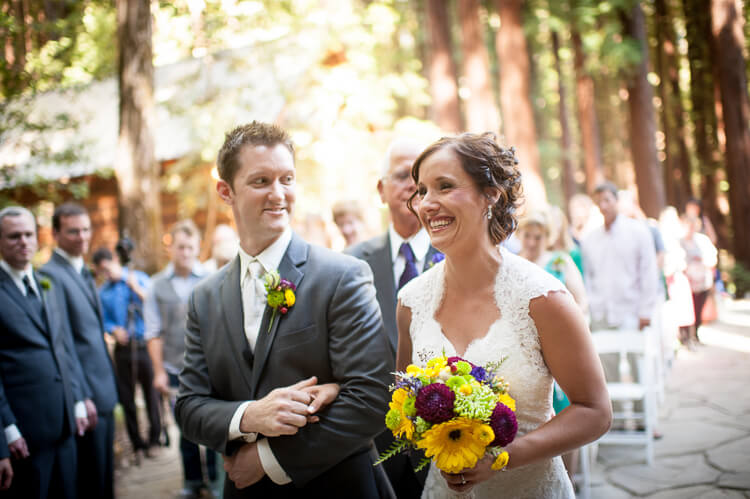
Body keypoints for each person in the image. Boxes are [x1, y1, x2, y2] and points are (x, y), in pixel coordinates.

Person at [174, 121, 394, 498]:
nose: (278, 194)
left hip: (338, 486)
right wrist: (248, 416)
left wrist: (266, 459)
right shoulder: (204, 297)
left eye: (287, 179)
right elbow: (190, 407)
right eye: (261, 181)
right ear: (225, 191)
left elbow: (372, 397)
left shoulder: (342, 276)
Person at [396, 133, 611, 498]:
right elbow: (404, 399)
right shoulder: (411, 301)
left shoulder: (542, 298)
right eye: (421, 192)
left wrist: (502, 458)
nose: (427, 204)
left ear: (490, 194)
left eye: (444, 187)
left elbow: (594, 411)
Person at [346, 137, 439, 498]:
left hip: (453, 436)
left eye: (423, 176)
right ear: (381, 189)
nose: (415, 185)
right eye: (404, 175)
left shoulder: (459, 255)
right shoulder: (351, 265)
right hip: (375, 445)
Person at [0, 206, 89, 499]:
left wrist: (76, 398)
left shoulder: (45, 284)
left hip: (65, 424)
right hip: (25, 434)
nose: (23, 241)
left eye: (28, 234)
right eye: (14, 236)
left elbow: (62, 346)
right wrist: (8, 430)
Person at [41, 203, 118, 499]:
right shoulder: (51, 276)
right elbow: (63, 342)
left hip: (105, 388)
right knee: (91, 481)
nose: (82, 237)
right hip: (87, 396)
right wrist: (81, 395)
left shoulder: (84, 271)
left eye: (86, 229)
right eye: (73, 231)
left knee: (105, 478)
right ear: (56, 233)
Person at [144, 220, 220, 499]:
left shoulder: (212, 279)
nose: (185, 252)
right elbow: (153, 333)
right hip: (175, 369)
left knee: (212, 424)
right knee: (185, 426)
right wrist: (158, 372)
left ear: (198, 247)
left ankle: (214, 479)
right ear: (171, 249)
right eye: (180, 247)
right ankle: (192, 481)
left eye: (190, 247)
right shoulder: (156, 285)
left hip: (210, 369)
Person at [517, 209, 589, 485]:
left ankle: (567, 479)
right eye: (527, 235)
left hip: (558, 348)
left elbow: (580, 302)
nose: (532, 242)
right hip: (524, 350)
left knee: (566, 414)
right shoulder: (513, 264)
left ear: (547, 238)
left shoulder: (559, 262)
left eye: (538, 236)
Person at [93, 244, 162, 462]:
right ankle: (137, 444)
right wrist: (113, 329)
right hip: (123, 351)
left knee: (152, 396)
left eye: (108, 268)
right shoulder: (102, 293)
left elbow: (154, 305)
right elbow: (103, 320)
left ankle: (155, 440)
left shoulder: (138, 277)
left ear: (115, 260)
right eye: (102, 271)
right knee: (127, 398)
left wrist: (136, 288)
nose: (107, 273)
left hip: (144, 346)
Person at [581, 182, 659, 333]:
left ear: (616, 200)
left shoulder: (638, 232)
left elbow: (648, 272)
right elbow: (589, 277)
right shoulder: (590, 239)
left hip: (631, 313)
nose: (603, 206)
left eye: (607, 200)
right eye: (599, 202)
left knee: (634, 356)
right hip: (601, 315)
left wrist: (646, 310)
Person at [680, 214, 717, 346]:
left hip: (702, 279)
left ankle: (696, 333)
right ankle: (685, 337)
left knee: (699, 308)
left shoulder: (702, 240)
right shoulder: (680, 242)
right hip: (687, 281)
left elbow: (712, 256)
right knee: (688, 309)